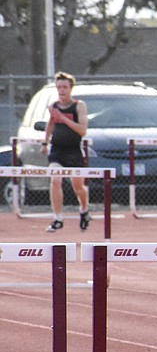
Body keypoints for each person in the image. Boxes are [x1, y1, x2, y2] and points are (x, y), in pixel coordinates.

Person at [41, 71, 91, 232]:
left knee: (78, 187)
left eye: (65, 87)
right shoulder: (54, 106)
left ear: (70, 88)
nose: (62, 90)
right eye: (59, 87)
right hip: (57, 151)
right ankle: (58, 218)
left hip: (74, 151)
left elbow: (82, 130)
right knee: (55, 180)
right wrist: (44, 142)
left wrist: (63, 118)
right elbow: (50, 125)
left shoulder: (79, 106)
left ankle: (84, 210)